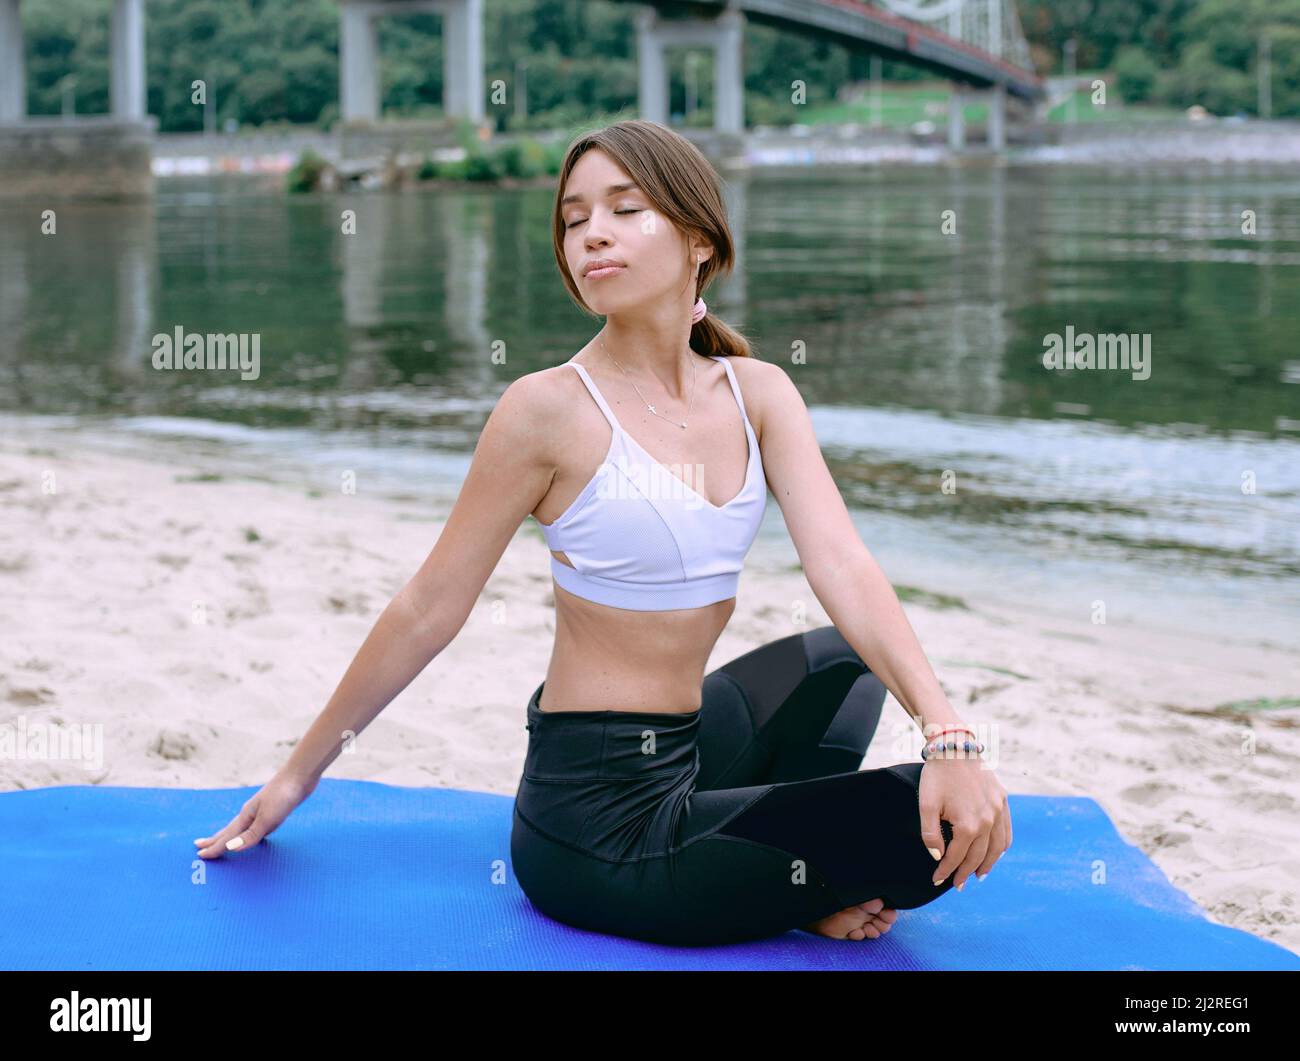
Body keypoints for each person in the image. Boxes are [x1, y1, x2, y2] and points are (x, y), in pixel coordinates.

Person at [195, 119, 1011, 947]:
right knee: (911, 820)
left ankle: (781, 873)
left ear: (698, 238)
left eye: (624, 209)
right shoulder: (546, 410)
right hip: (595, 826)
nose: (592, 234)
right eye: (574, 217)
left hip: (686, 751)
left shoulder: (756, 392)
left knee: (846, 661)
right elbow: (428, 606)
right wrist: (300, 773)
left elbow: (841, 560)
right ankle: (791, 880)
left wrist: (948, 731)